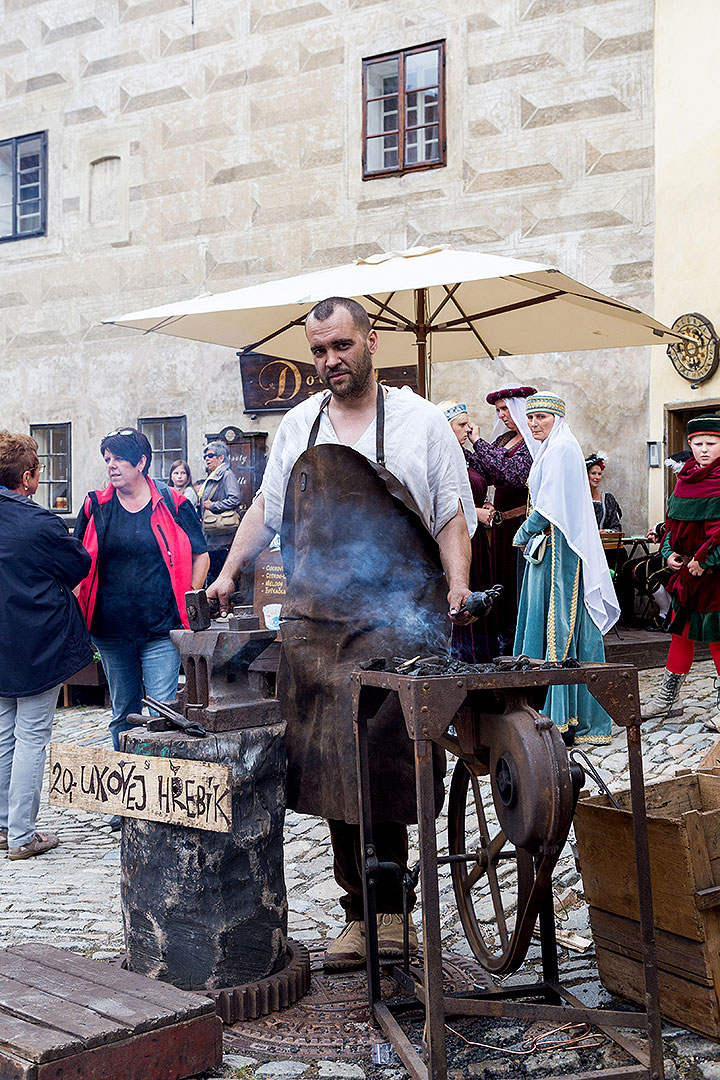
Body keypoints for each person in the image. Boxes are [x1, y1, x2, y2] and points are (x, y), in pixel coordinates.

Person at [209, 296, 477, 971]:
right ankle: (356, 915)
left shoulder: (420, 423)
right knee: (331, 771)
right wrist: (229, 567)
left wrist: (457, 586)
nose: (330, 361)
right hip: (316, 625)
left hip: (397, 621)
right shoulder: (297, 425)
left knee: (385, 768)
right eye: (319, 351)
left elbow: (450, 516)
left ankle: (392, 914)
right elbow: (269, 508)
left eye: (341, 347)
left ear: (371, 343)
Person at [75, 429, 209, 829]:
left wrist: (191, 596)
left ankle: (155, 800)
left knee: (160, 713)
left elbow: (201, 555)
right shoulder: (96, 506)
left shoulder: (174, 502)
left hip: (160, 627)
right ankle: (125, 800)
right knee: (122, 712)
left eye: (118, 458)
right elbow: (78, 557)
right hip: (111, 630)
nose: (110, 466)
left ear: (141, 463)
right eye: (107, 458)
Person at [0, 432, 93, 860]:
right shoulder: (38, 522)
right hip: (35, 640)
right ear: (28, 478)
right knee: (31, 736)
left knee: (4, 736)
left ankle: (4, 827)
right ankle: (21, 835)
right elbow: (78, 563)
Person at [512, 393, 620, 746]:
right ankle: (550, 709)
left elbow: (550, 506)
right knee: (546, 622)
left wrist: (523, 531)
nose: (533, 423)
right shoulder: (552, 449)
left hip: (559, 548)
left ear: (556, 418)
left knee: (560, 624)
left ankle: (563, 716)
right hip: (549, 547)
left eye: (541, 417)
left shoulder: (561, 449)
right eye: (530, 418)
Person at [641, 417, 720, 729]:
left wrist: (706, 560)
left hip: (715, 576)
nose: (703, 450)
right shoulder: (684, 480)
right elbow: (673, 525)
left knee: (718, 639)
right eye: (698, 444)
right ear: (689, 445)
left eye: (710, 444)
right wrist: (669, 552)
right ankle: (668, 699)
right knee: (680, 634)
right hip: (687, 574)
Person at [465, 386, 537, 653]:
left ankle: (518, 644)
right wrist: (460, 445)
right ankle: (501, 642)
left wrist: (478, 443)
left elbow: (512, 474)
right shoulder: (504, 439)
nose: (502, 415)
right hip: (500, 525)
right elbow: (486, 470)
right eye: (498, 410)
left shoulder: (531, 442)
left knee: (515, 583)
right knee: (500, 583)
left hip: (520, 525)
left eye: (506, 408)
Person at [438, 401, 497, 661]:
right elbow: (441, 498)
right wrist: (474, 511)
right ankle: (462, 658)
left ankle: (483, 656)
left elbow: (491, 475)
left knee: (478, 599)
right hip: (457, 539)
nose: (468, 428)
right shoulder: (440, 456)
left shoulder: (466, 455)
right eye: (462, 425)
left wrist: (485, 504)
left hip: (478, 542)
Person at [197, 442, 242, 585]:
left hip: (222, 537)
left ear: (221, 457)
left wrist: (213, 505)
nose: (207, 459)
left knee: (218, 573)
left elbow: (234, 498)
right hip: (214, 535)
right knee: (214, 573)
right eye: (205, 457)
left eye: (210, 456)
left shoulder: (226, 475)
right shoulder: (216, 474)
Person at [585, 453, 623, 532]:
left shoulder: (607, 499)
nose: (597, 477)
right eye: (593, 473)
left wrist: (605, 532)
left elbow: (616, 528)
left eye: (599, 474)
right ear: (586, 475)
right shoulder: (578, 499)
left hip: (603, 543)